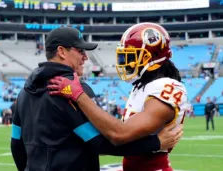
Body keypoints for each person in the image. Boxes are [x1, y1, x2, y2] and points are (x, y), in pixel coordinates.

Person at [11, 27, 183, 171]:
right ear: (62, 52)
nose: (85, 57)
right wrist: (156, 143)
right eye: (80, 51)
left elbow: (16, 143)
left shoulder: (24, 92)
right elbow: (101, 142)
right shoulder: (73, 90)